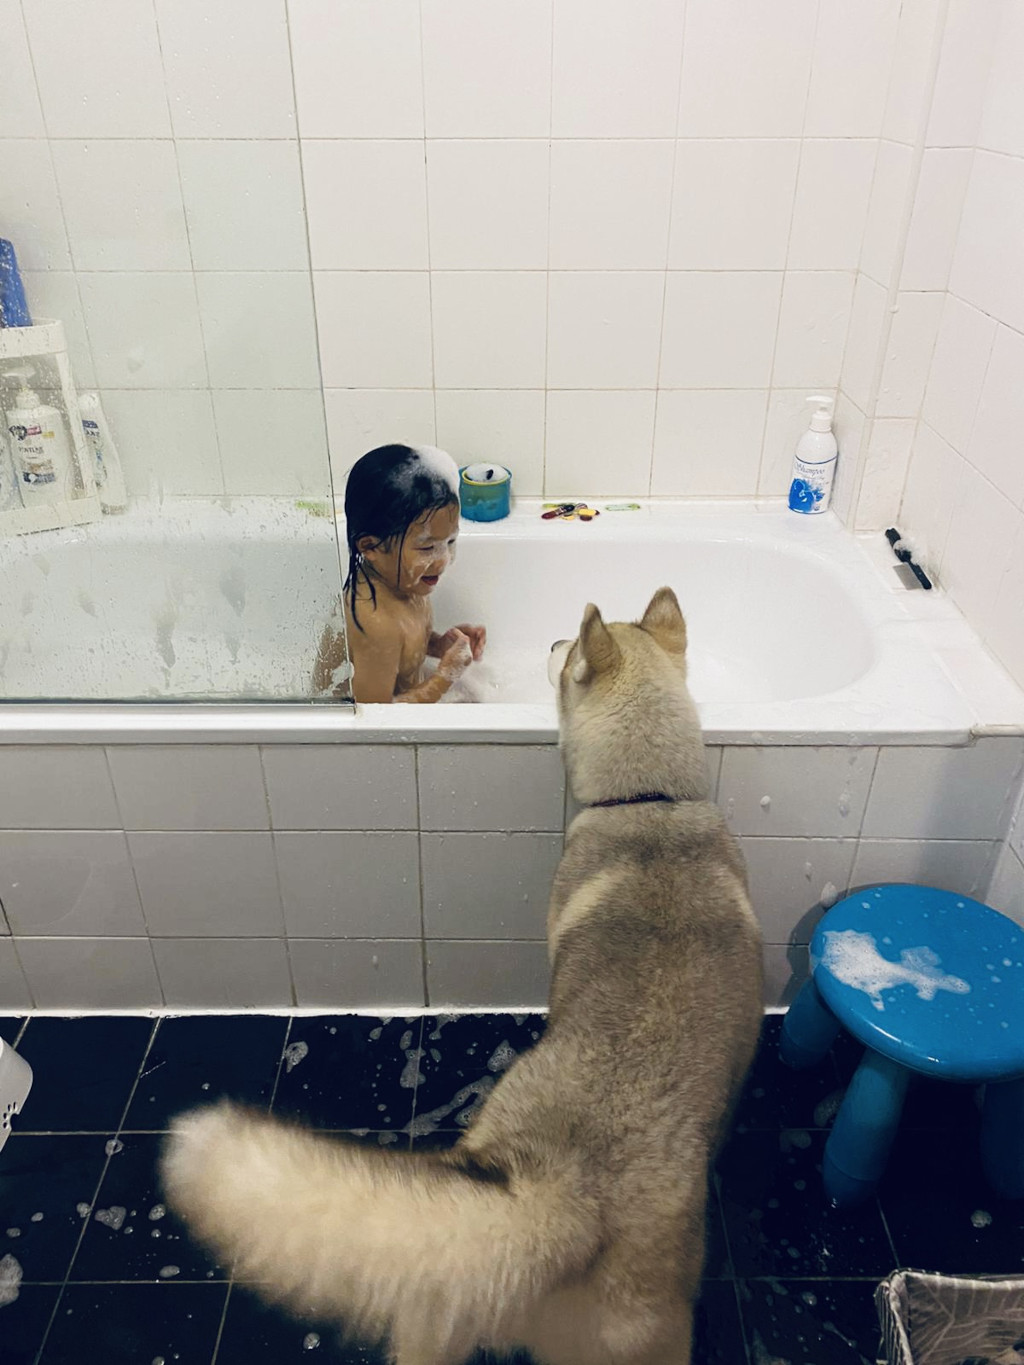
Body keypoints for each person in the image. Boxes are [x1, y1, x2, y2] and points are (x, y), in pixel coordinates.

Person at [313, 444, 486, 703]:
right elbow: (374, 722)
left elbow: (401, 650)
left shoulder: (406, 582)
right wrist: (444, 677)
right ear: (371, 546)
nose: (443, 561)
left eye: (450, 542)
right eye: (428, 548)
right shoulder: (374, 622)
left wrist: (438, 645)